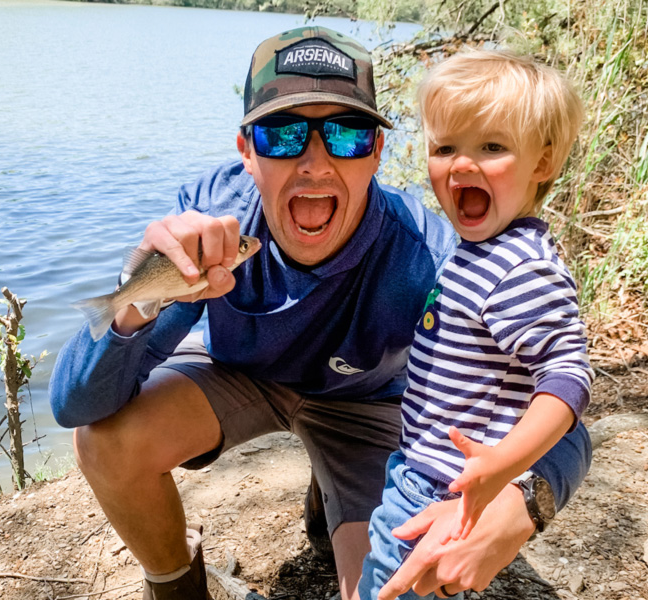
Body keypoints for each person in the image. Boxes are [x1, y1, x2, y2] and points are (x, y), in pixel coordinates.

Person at [49, 27, 592, 600]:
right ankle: (177, 586)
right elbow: (74, 406)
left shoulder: (426, 257)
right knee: (107, 443)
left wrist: (521, 504)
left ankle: (330, 497)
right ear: (246, 151)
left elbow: (568, 414)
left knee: (397, 586)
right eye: (282, 134)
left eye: (346, 134)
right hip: (237, 376)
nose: (314, 163)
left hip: (365, 406)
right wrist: (138, 301)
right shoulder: (212, 225)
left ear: (377, 153)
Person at [357, 50, 593, 600]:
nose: (462, 164)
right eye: (445, 148)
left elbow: (568, 376)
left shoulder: (519, 267)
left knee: (388, 587)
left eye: (492, 147)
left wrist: (503, 464)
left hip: (444, 485)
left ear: (542, 163)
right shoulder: (481, 249)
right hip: (425, 471)